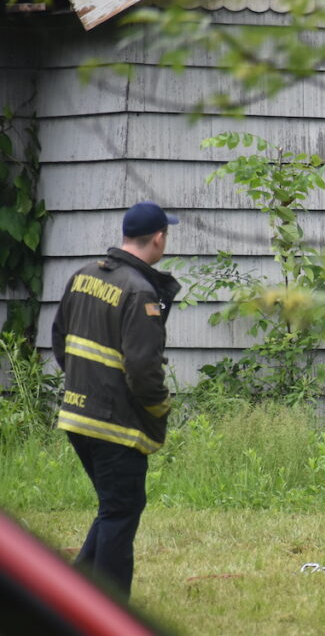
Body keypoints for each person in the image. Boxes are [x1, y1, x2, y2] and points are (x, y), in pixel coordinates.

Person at [51, 201, 181, 598]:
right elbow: (143, 369)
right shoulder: (140, 292)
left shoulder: (82, 276)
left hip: (77, 417)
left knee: (115, 507)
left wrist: (84, 384)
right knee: (120, 510)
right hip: (114, 425)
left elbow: (60, 342)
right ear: (158, 238)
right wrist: (160, 407)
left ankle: (73, 593)